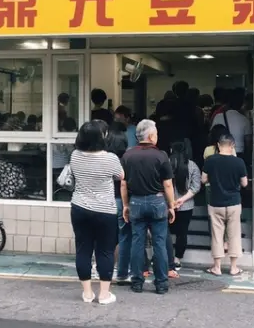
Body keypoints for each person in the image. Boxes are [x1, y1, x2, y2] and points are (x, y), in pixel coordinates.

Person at [69, 120, 124, 305]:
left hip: (79, 208)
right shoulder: (110, 159)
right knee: (105, 251)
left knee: (83, 249)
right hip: (104, 210)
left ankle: (87, 293)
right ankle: (104, 294)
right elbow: (121, 175)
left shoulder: (75, 156)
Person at [121, 119, 176, 295]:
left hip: (136, 201)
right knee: (159, 243)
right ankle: (161, 284)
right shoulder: (161, 156)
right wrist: (172, 205)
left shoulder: (128, 156)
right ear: (151, 136)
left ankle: (137, 282)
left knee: (137, 242)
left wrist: (125, 205)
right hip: (157, 202)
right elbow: (167, 184)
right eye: (156, 134)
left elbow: (123, 184)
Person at [202, 134, 247, 276]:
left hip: (216, 202)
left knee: (217, 235)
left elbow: (203, 180)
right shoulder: (239, 162)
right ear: (232, 145)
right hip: (234, 202)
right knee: (234, 234)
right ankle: (234, 268)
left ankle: (217, 267)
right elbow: (244, 183)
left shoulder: (210, 160)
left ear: (218, 145)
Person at [169, 141, 201, 271]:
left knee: (163, 233)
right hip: (186, 206)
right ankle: (177, 260)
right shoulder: (193, 166)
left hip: (168, 205)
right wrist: (182, 200)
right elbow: (196, 187)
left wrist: (172, 200)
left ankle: (163, 257)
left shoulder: (167, 164)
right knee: (182, 233)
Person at [106, 122, 131, 284]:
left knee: (105, 236)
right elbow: (125, 183)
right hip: (120, 201)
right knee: (123, 236)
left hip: (104, 201)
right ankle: (121, 269)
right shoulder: (126, 160)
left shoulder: (103, 159)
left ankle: (100, 267)